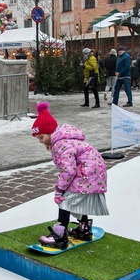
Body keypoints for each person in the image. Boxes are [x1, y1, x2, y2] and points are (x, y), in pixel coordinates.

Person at [31, 102, 109, 249]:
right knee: (74, 200)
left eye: (41, 137)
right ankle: (84, 228)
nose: (40, 142)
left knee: (65, 200)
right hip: (93, 173)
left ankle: (60, 235)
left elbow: (69, 171)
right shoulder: (64, 141)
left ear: (48, 133)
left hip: (88, 174)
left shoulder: (61, 145)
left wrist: (59, 190)